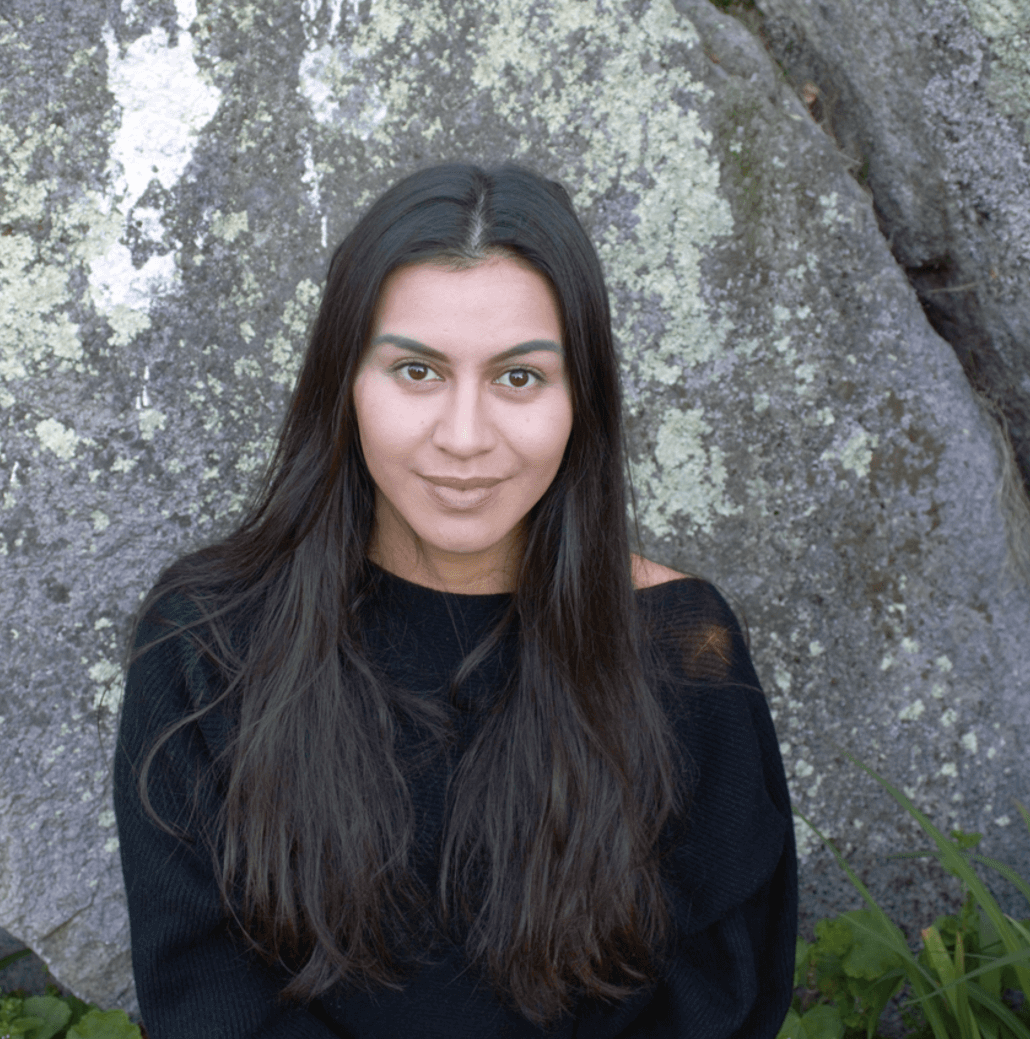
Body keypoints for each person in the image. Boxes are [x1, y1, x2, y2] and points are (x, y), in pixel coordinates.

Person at [113, 162, 797, 1038]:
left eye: (519, 378)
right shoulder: (207, 641)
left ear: (579, 401)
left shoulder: (681, 649)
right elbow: (207, 995)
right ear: (345, 384)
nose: (465, 438)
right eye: (417, 372)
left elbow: (718, 997)